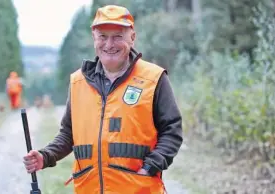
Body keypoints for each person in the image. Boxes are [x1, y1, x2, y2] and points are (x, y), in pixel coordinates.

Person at [23, 5, 183, 194]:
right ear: (94, 39)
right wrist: (46, 156)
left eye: (117, 36)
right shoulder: (78, 82)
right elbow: (69, 134)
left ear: (132, 37)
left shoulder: (154, 78)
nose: (109, 44)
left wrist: (149, 168)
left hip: (139, 190)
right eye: (103, 37)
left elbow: (172, 131)